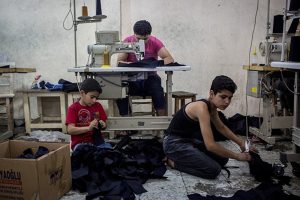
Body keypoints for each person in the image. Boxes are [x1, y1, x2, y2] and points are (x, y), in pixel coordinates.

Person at [163, 75, 254, 179]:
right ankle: (173, 163)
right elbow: (210, 145)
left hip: (188, 140)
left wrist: (241, 143)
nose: (227, 102)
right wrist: (237, 156)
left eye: (230, 98)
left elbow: (221, 128)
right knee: (213, 170)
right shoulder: (201, 108)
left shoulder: (212, 107)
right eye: (223, 97)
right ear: (212, 94)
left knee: (223, 160)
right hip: (173, 144)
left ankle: (185, 157)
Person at [116, 20, 174, 116]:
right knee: (119, 90)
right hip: (131, 79)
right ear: (134, 34)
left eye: (145, 39)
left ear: (150, 35)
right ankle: (127, 124)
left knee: (158, 90)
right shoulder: (127, 41)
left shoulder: (155, 42)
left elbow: (169, 59)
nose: (141, 42)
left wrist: (151, 63)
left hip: (149, 79)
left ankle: (162, 123)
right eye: (138, 39)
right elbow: (119, 62)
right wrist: (134, 65)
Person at [66, 78, 111, 150]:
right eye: (92, 97)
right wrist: (88, 128)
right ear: (82, 93)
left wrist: (103, 124)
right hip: (80, 144)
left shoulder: (97, 106)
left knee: (110, 153)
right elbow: (70, 130)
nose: (94, 100)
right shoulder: (73, 108)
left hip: (97, 142)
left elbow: (104, 125)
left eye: (96, 98)